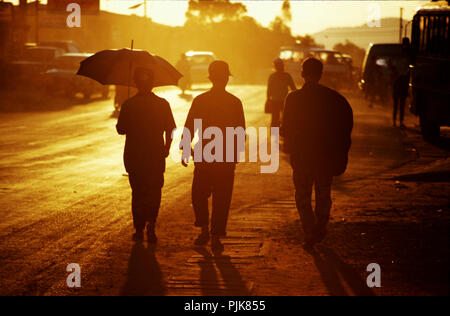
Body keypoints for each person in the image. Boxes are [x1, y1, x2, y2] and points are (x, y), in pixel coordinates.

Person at [282, 58, 353, 248]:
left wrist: (288, 144)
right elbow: (345, 128)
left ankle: (310, 230)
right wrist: (341, 154)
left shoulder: (293, 99)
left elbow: (285, 128)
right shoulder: (334, 99)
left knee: (302, 196)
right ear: (321, 74)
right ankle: (320, 225)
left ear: (302, 74)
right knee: (323, 193)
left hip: (302, 157)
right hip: (325, 158)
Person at [181, 61, 246, 252]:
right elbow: (240, 132)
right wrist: (235, 154)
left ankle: (205, 230)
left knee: (199, 194)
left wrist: (186, 148)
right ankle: (215, 235)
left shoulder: (201, 100)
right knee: (221, 197)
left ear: (211, 78)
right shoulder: (234, 102)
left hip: (206, 155)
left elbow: (189, 127)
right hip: (223, 156)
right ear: (226, 79)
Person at [116, 67, 176, 243]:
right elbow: (171, 129)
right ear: (152, 83)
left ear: (135, 83)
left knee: (138, 192)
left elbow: (121, 130)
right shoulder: (162, 104)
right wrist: (166, 147)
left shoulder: (128, 104)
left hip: (134, 157)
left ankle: (139, 228)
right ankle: (151, 225)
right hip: (155, 155)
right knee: (154, 191)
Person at [266, 58, 296, 127]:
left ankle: (275, 135)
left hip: (277, 100)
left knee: (275, 119)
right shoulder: (287, 76)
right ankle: (284, 134)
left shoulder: (272, 76)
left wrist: (268, 99)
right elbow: (293, 88)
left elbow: (269, 89)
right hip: (283, 100)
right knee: (284, 119)